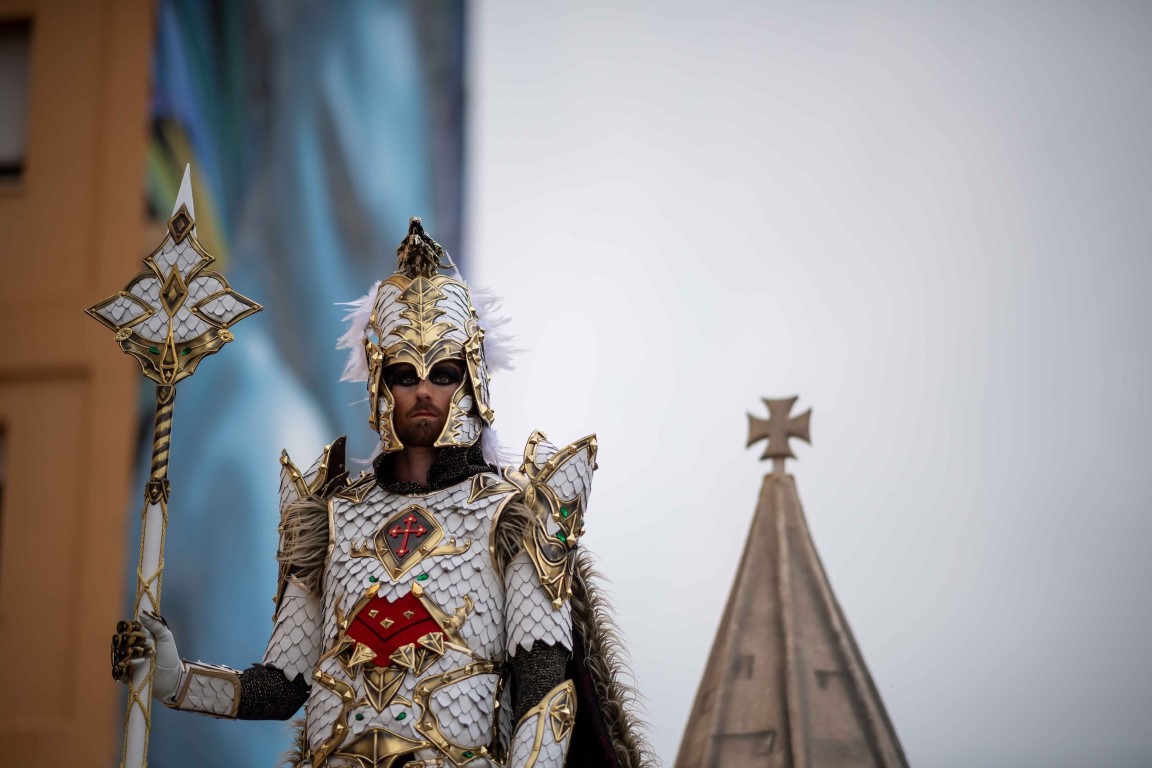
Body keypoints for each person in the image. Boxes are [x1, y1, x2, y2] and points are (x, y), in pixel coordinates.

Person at [112, 219, 652, 768]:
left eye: (443, 373)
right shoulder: (329, 518)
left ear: (473, 381)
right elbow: (279, 687)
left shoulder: (514, 516)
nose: (424, 391)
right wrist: (175, 679)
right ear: (380, 383)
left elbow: (545, 696)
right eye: (405, 374)